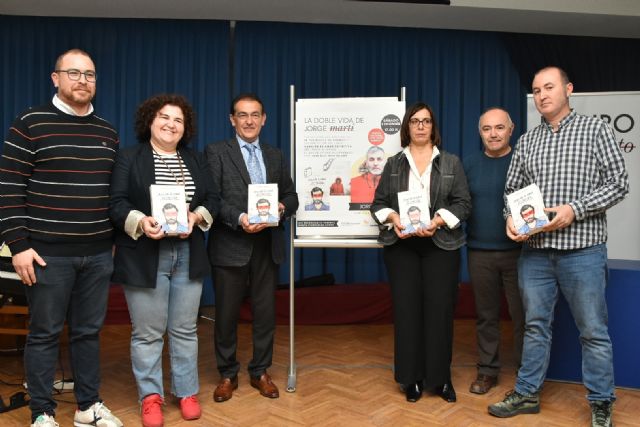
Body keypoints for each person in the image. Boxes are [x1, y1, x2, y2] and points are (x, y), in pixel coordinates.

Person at [488, 67, 629, 427]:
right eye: (536, 90)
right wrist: (510, 218)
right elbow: (511, 192)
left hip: (583, 251)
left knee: (593, 332)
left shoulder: (595, 130)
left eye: (549, 87)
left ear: (568, 89)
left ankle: (600, 403)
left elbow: (619, 183)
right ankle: (527, 393)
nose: (542, 95)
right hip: (535, 254)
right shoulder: (528, 141)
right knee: (535, 326)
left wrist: (574, 210)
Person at [0, 49, 123, 427]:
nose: (82, 80)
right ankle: (42, 412)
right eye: (74, 73)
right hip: (46, 256)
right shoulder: (29, 124)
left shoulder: (107, 131)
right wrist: (18, 245)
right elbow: (8, 188)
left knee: (88, 333)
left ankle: (88, 406)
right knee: (44, 334)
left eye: (89, 74)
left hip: (99, 254)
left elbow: (113, 195)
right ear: (56, 79)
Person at [109, 94, 220, 427]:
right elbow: (115, 203)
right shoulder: (129, 157)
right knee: (148, 333)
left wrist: (196, 217)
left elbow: (212, 198)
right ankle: (150, 397)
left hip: (188, 252)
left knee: (185, 329)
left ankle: (186, 392)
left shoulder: (195, 159)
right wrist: (141, 222)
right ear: (150, 121)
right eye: (164, 117)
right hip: (145, 254)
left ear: (185, 128)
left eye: (179, 120)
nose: (171, 124)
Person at [371, 102, 471, 404]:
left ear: (433, 127)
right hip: (402, 246)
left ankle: (440, 380)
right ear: (407, 127)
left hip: (441, 245)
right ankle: (410, 378)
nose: (420, 126)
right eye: (415, 121)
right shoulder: (393, 163)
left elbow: (464, 205)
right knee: (407, 312)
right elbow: (378, 204)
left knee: (440, 311)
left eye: (426, 121)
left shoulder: (451, 162)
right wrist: (394, 219)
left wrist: (438, 221)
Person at [205, 93, 298, 402]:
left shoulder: (275, 155)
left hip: (267, 246)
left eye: (254, 114)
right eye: (242, 115)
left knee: (265, 313)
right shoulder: (217, 152)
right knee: (227, 315)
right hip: (231, 243)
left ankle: (260, 371)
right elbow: (213, 200)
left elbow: (292, 195)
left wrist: (281, 208)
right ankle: (227, 373)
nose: (248, 120)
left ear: (264, 119)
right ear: (232, 119)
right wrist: (241, 218)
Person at [463, 107, 524, 395]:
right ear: (480, 132)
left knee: (523, 315)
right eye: (487, 129)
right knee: (486, 316)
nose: (493, 134)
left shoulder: (524, 161)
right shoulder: (469, 164)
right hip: (479, 253)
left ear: (511, 130)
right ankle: (488, 371)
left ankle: (528, 374)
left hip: (521, 252)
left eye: (499, 128)